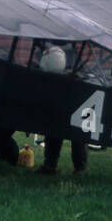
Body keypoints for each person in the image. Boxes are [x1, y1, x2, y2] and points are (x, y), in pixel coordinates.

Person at [35, 42, 87, 175]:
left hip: (61, 112)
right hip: (72, 111)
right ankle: (79, 168)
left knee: (55, 132)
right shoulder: (74, 75)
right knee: (74, 135)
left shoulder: (48, 80)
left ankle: (50, 166)